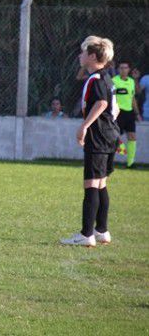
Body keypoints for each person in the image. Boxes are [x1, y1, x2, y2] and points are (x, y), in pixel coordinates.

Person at [60, 36, 119, 247]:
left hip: (98, 136)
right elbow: (114, 108)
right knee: (101, 183)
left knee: (91, 185)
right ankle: (101, 230)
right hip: (109, 135)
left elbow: (102, 103)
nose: (80, 55)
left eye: (84, 53)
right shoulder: (107, 78)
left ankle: (86, 235)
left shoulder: (96, 79)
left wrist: (85, 126)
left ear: (92, 56)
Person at [112, 61, 140, 167]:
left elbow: (133, 97)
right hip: (118, 112)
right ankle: (109, 161)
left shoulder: (131, 82)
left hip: (129, 113)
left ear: (129, 69)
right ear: (118, 69)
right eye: (121, 68)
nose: (123, 70)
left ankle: (130, 163)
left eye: (125, 68)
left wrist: (137, 113)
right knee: (114, 137)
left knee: (132, 137)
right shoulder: (114, 81)